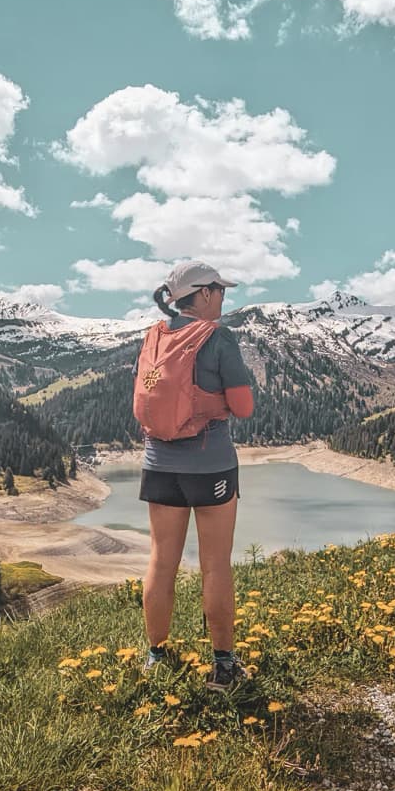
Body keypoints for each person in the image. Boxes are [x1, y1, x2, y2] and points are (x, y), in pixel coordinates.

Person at [135, 261, 255, 690]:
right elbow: (242, 407)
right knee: (215, 565)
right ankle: (223, 667)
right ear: (203, 294)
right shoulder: (218, 338)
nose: (224, 297)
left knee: (161, 561)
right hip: (210, 464)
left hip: (158, 463)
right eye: (220, 290)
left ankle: (156, 657)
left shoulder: (154, 336)